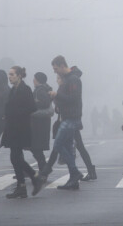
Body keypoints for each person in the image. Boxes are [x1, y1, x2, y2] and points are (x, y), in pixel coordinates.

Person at [33, 56, 85, 194]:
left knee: (58, 145)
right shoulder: (67, 80)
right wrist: (56, 99)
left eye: (56, 69)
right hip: (67, 117)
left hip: (71, 118)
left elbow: (74, 98)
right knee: (66, 147)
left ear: (62, 65)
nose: (55, 72)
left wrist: (57, 95)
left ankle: (75, 173)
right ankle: (73, 178)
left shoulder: (73, 80)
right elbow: (66, 99)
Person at [2, 66, 37, 199]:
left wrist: (15, 113)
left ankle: (31, 178)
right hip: (12, 127)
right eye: (9, 74)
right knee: (15, 157)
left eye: (12, 74)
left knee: (15, 157)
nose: (9, 77)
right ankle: (23, 185)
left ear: (19, 76)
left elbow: (32, 107)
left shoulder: (25, 89)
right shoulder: (13, 90)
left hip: (21, 128)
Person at [30, 72, 53, 171]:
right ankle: (43, 168)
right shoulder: (42, 89)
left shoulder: (40, 90)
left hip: (39, 124)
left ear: (38, 80)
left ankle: (44, 168)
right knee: (35, 147)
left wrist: (33, 103)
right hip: (41, 123)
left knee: (35, 147)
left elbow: (45, 103)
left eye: (34, 78)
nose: (33, 80)